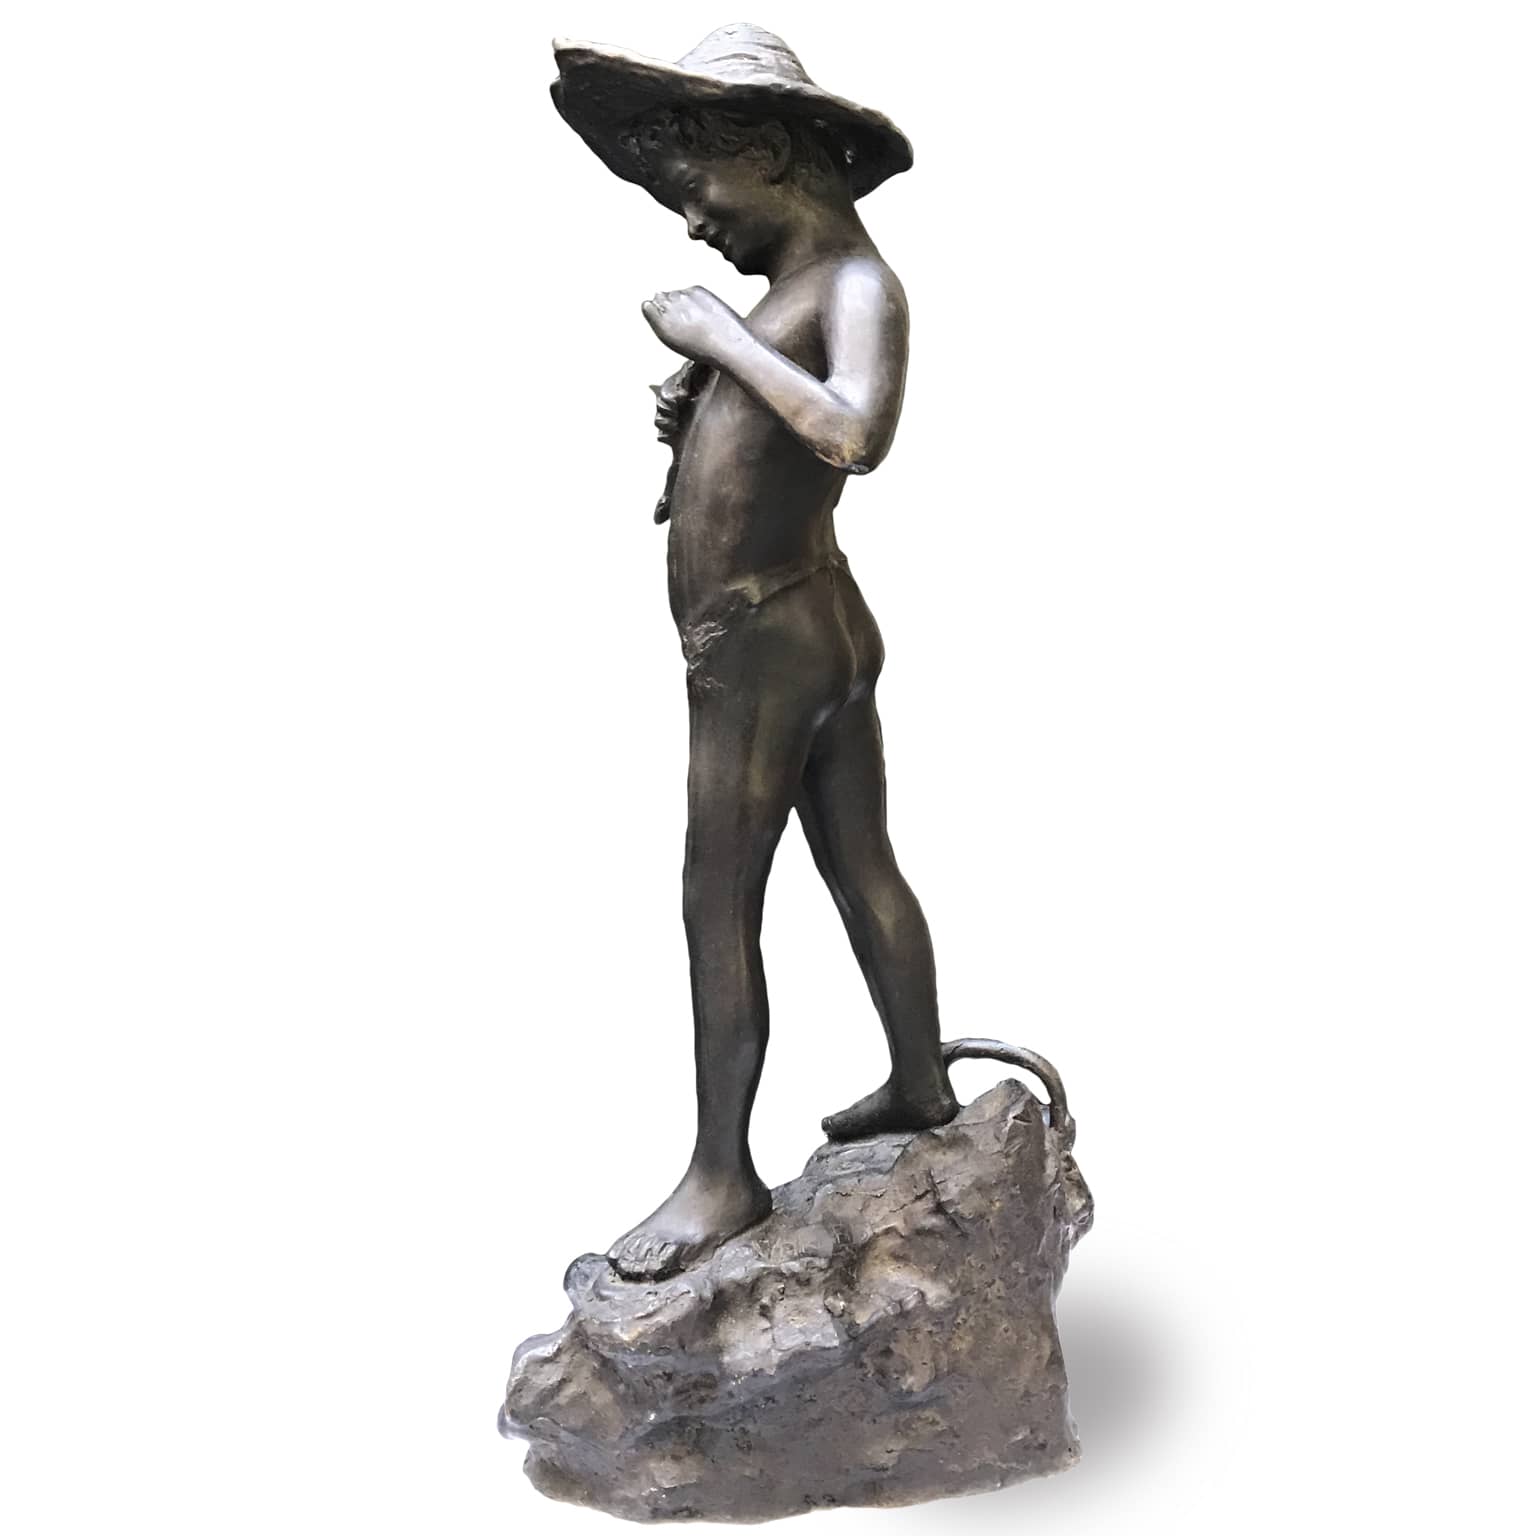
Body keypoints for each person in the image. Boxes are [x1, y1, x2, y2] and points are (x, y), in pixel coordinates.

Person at [552, 25, 957, 1282]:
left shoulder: (855, 286)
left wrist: (723, 344)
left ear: (771, 153)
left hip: (768, 640)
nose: (692, 223)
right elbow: (777, 434)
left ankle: (720, 1176)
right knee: (858, 859)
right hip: (801, 616)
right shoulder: (801, 294)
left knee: (717, 895)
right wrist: (704, 411)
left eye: (696, 188)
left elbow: (855, 436)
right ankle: (919, 1083)